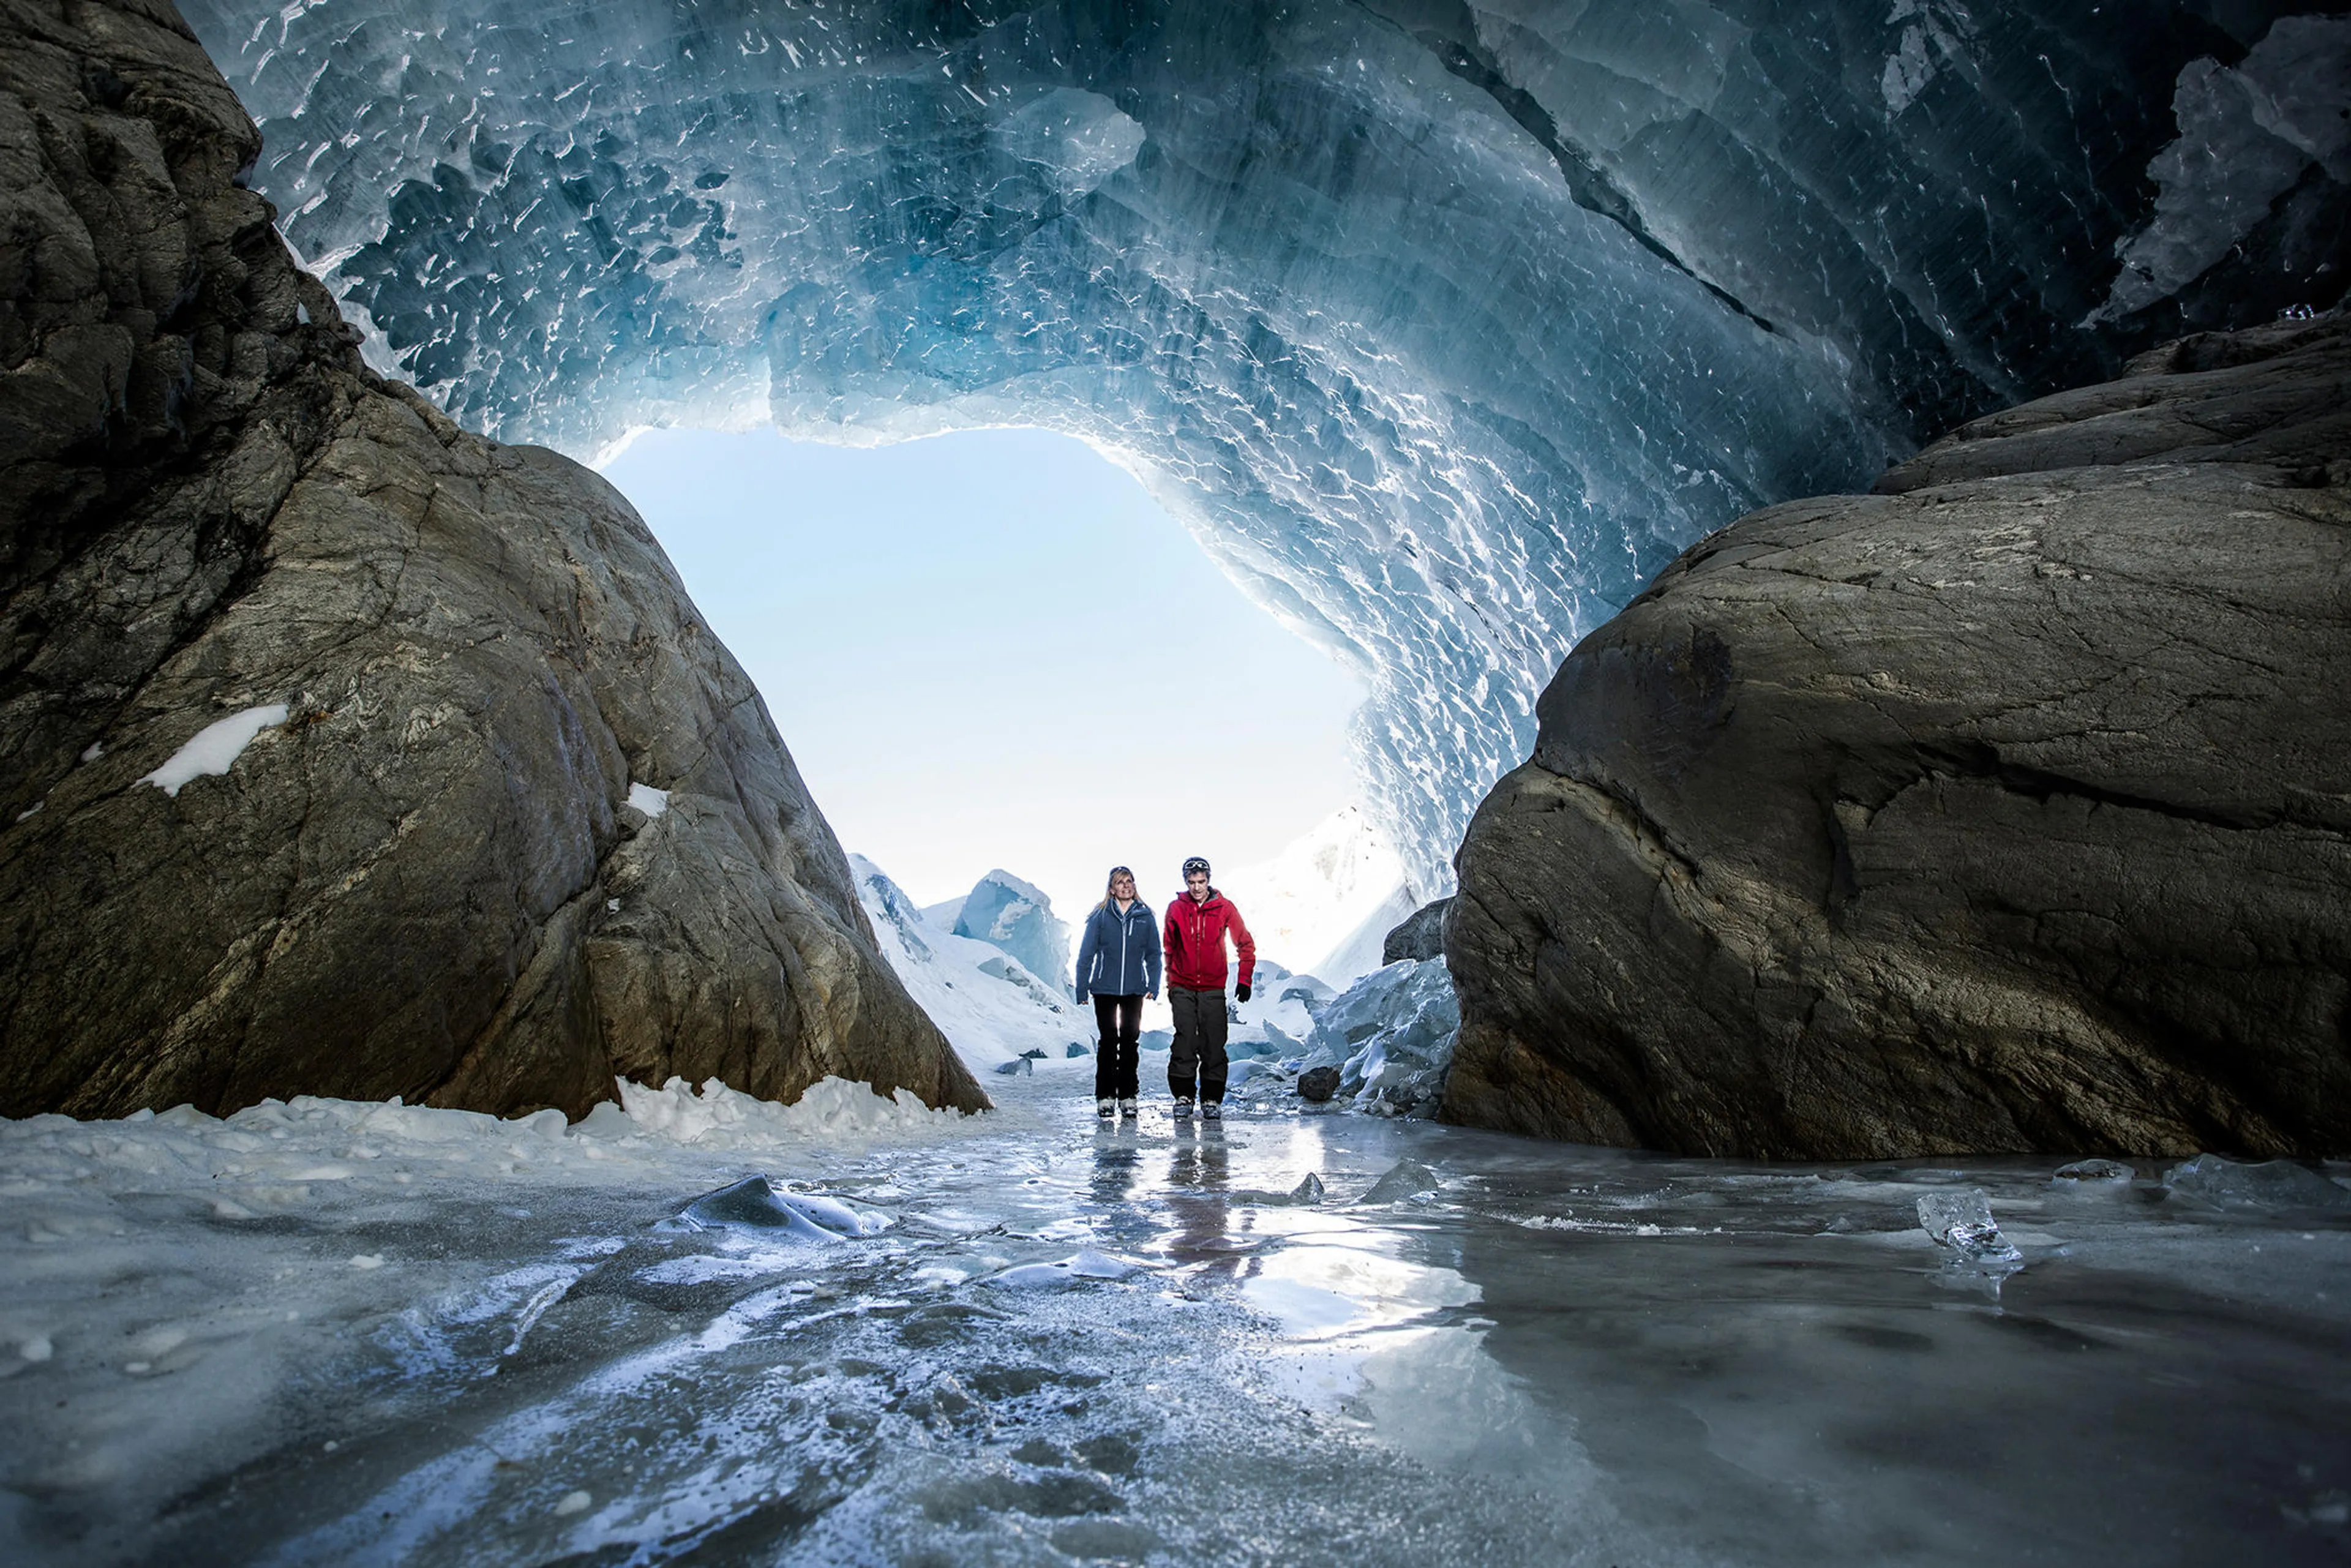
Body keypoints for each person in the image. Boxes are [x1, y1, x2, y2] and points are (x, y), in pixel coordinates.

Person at [1161, 855, 1254, 1120]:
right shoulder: (1176, 909)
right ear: (1186, 882)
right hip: (1183, 985)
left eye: (1201, 881)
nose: (1197, 887)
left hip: (1213, 986)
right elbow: (1169, 948)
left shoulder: (1224, 907)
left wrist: (1244, 979)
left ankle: (1212, 1098)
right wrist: (1172, 983)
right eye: (1192, 882)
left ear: (1208, 881)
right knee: (1185, 1041)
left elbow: (1245, 944)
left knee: (1214, 1042)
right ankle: (1183, 1095)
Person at [1073, 865, 1158, 1120]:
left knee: (1130, 1042)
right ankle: (1106, 1097)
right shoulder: (1099, 917)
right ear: (1111, 889)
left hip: (1134, 990)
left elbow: (1154, 953)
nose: (1126, 886)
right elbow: (1086, 955)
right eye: (1120, 882)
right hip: (1104, 989)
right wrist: (1082, 987)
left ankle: (1129, 1096)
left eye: (1130, 881)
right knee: (1109, 1042)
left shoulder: (1145, 916)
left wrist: (1153, 983)